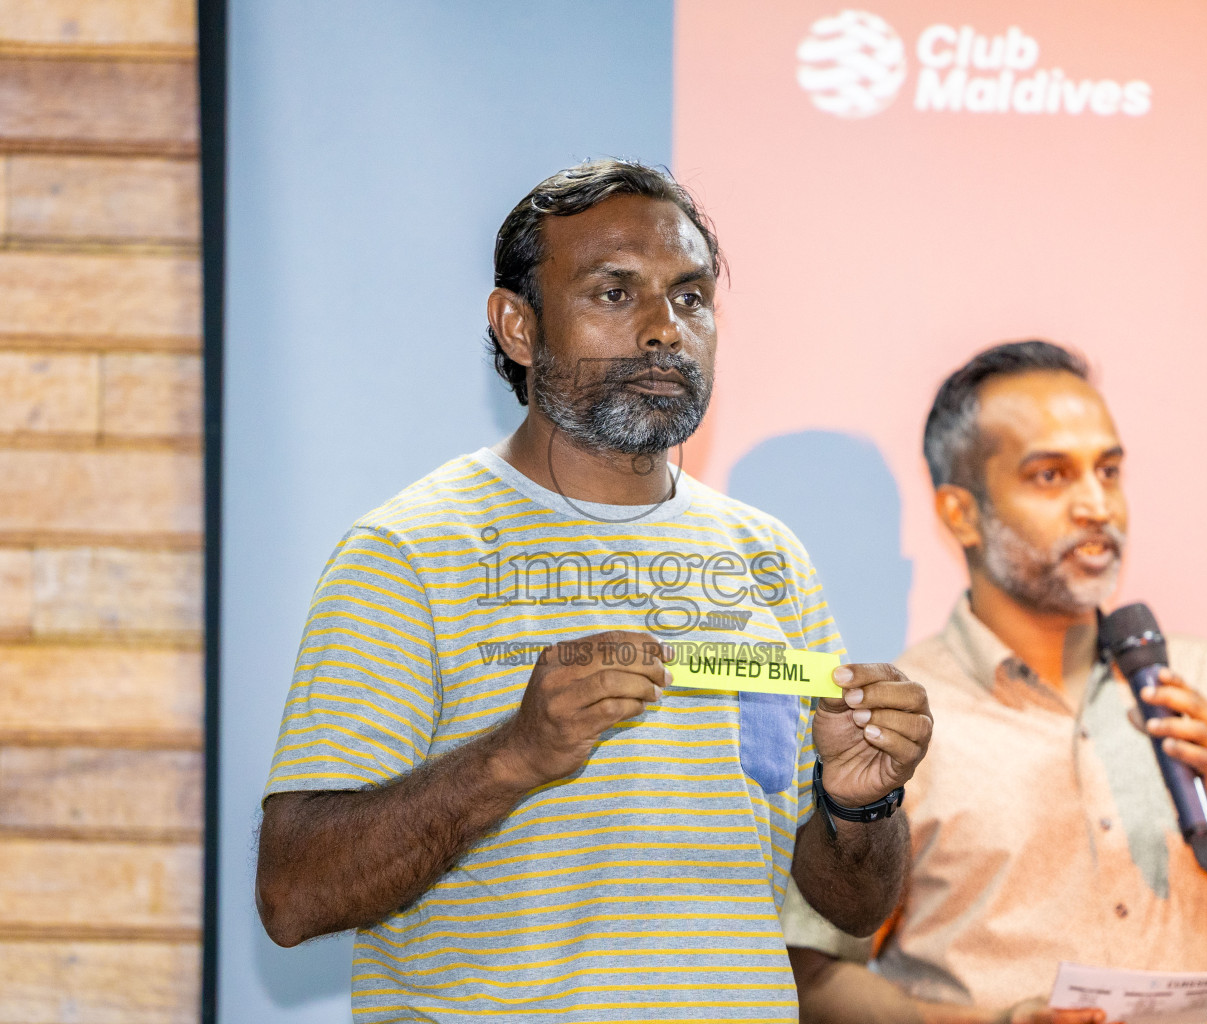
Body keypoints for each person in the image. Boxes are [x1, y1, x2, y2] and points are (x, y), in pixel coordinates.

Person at [253, 159, 934, 1023]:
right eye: (615, 294)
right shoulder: (409, 553)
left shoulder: (769, 558)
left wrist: (860, 796)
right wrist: (515, 754)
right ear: (517, 326)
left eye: (690, 298)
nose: (663, 330)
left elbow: (853, 903)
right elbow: (293, 894)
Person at [783, 341, 1207, 1024]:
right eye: (1051, 476)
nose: (1097, 506)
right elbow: (812, 981)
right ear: (960, 513)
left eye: (1108, 471)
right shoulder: (893, 725)